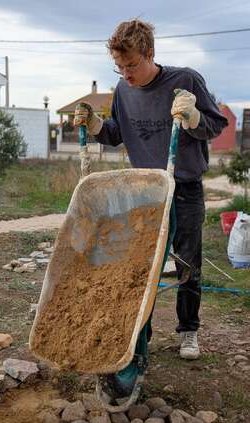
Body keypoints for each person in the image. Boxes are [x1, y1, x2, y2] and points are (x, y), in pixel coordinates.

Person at [74, 19, 228, 361]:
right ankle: (140, 331)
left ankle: (188, 331)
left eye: (132, 65)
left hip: (184, 185)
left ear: (150, 54)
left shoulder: (185, 80)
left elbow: (216, 124)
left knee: (188, 261)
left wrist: (191, 117)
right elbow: (116, 134)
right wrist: (96, 123)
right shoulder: (123, 91)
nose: (126, 74)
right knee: (143, 264)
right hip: (145, 189)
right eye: (119, 67)